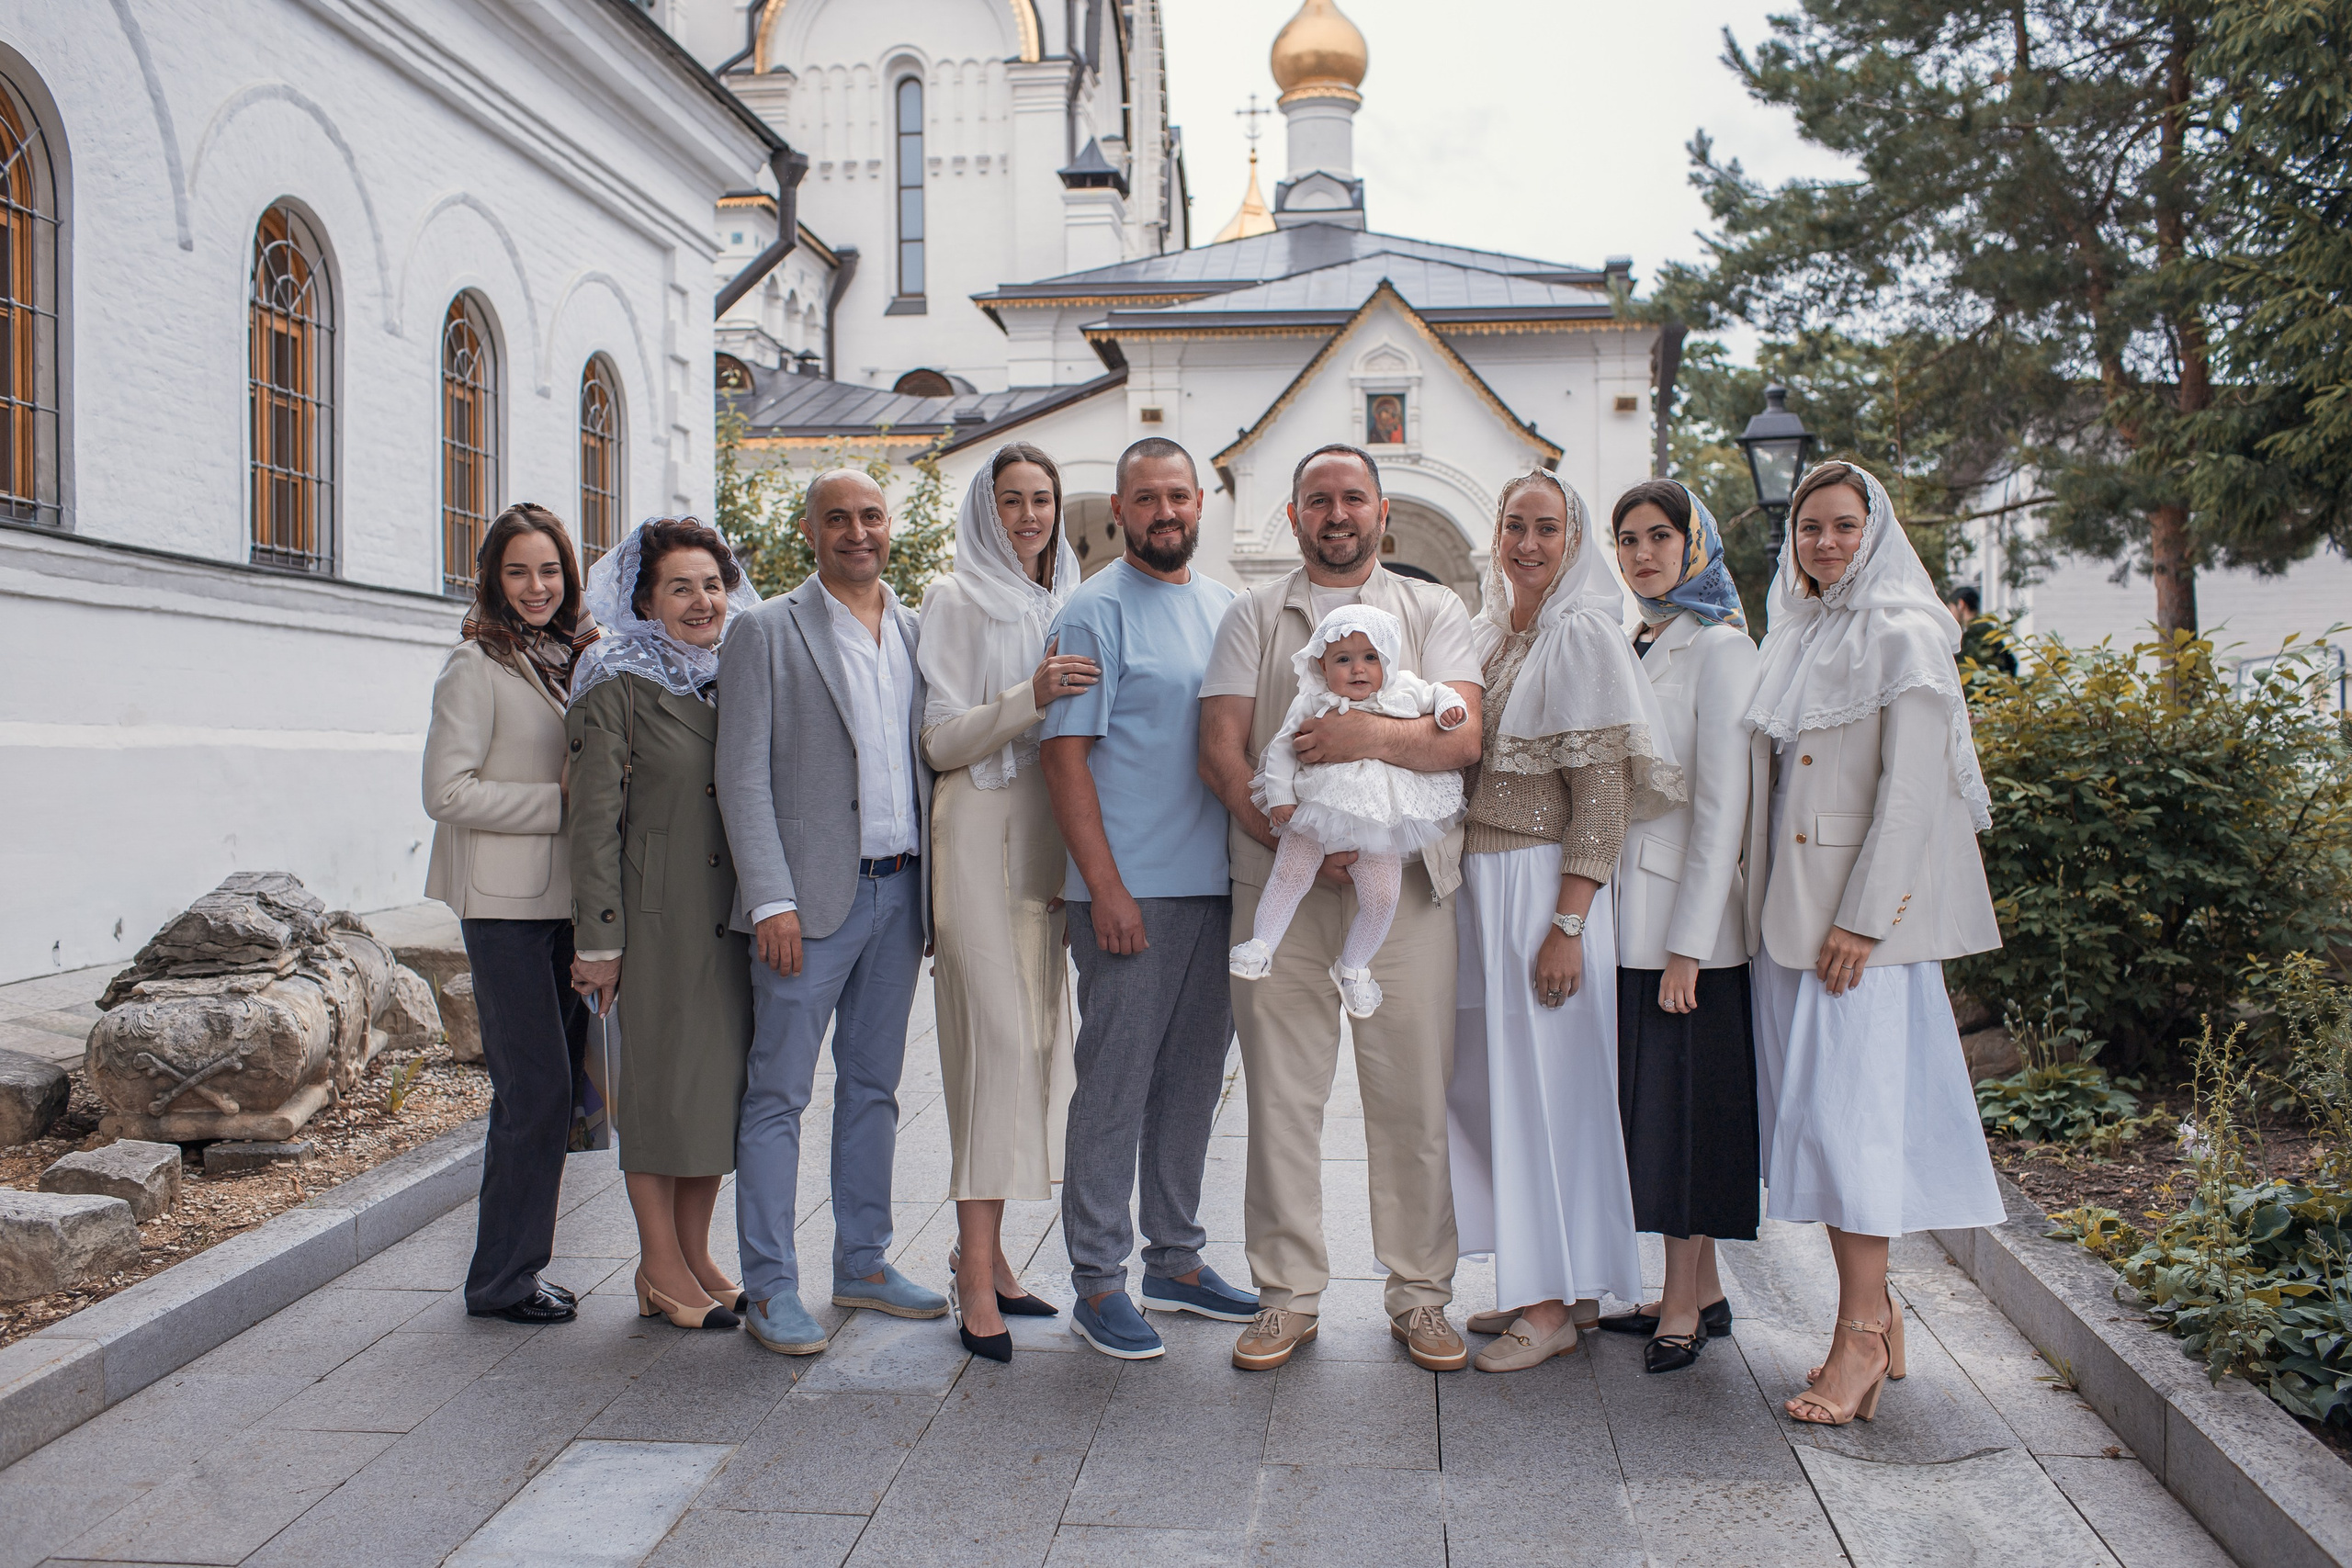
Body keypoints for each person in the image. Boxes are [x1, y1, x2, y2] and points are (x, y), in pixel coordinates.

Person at [1196, 444, 1485, 1373]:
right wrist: (1293, 834)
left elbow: (1462, 737)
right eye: (1317, 499)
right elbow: (1222, 749)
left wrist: (1367, 735)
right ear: (1292, 516)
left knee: (1409, 1096)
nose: (1336, 514)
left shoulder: (1433, 609)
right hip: (1281, 884)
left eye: (1352, 498)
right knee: (1281, 1099)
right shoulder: (1254, 613)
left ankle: (1421, 1296)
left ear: (1380, 511)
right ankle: (1286, 1295)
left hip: (1402, 887)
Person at [1747, 460, 2005, 1426]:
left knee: (1851, 1130)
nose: (1822, 543)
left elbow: (1912, 792)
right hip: (1788, 925)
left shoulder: (1904, 635)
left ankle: (1858, 1335)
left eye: (1843, 526)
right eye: (1809, 527)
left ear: (1877, 531)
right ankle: (1876, 1310)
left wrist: (1863, 916)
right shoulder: (1799, 636)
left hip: (1857, 937)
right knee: (1818, 1127)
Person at [1445, 470, 1682, 1374]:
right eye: (1515, 525)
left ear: (1573, 540)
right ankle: (1561, 1285)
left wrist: (1569, 921)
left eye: (1547, 527)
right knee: (1501, 1092)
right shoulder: (1490, 633)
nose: (1529, 543)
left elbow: (1605, 794)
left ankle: (1547, 1306)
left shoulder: (1581, 636)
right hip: (1481, 884)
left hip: (1542, 887)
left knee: (1550, 1095)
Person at [716, 469, 949, 1357]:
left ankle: (863, 1260)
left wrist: (931, 898)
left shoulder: (919, 633)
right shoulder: (765, 632)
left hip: (900, 893)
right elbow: (740, 776)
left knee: (875, 1089)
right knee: (778, 1094)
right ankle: (771, 1286)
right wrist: (770, 896)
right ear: (810, 531)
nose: (858, 531)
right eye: (838, 518)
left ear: (890, 528)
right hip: (804, 905)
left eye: (872, 516)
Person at [1039, 436, 1258, 1360]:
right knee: (1115, 1088)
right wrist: (1104, 888)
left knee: (1192, 1087)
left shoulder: (1229, 611)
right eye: (1146, 497)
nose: (1165, 511)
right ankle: (1097, 1278)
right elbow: (1063, 757)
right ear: (1119, 510)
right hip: (1128, 893)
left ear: (1200, 502)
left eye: (1179, 494)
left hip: (1219, 887)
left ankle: (1175, 1257)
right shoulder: (1090, 614)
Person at [916, 444, 1092, 1362]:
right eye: (1012, 500)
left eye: (1042, 500)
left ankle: (984, 1255)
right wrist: (1028, 698)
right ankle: (975, 1279)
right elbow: (941, 737)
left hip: (1047, 838)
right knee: (989, 1047)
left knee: (1031, 1046)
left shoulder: (1068, 596)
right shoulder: (955, 597)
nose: (1029, 516)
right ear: (985, 511)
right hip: (979, 831)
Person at [566, 518, 761, 1333]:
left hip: (729, 919)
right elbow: (591, 818)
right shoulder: (614, 679)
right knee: (653, 1092)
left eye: (712, 584)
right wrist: (600, 939)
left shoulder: (733, 674)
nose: (701, 600)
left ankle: (695, 1251)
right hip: (653, 921)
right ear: (645, 600)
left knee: (714, 1093)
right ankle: (655, 1262)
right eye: (680, 587)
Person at [1599, 479, 1768, 1373]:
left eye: (1659, 536)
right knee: (1658, 1117)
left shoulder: (1721, 648)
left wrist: (1688, 946)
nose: (1642, 554)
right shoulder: (1642, 641)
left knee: (1686, 1124)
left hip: (1686, 934)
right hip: (1628, 920)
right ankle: (1695, 1292)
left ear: (1692, 542)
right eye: (1627, 539)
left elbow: (1721, 809)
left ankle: (1682, 1307)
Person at [422, 502, 599, 1325]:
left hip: (560, 901)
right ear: (493, 576)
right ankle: (501, 1281)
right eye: (519, 570)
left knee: (545, 1097)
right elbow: (446, 791)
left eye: (551, 569)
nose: (537, 585)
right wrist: (559, 802)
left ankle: (512, 1269)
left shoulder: (568, 658)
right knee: (536, 1092)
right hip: (501, 906)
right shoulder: (475, 664)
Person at [1227, 604, 1468, 1018]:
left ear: (1387, 660)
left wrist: (1450, 708)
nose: (1359, 669)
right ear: (1322, 663)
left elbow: (1439, 692)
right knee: (1290, 871)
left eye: (1370, 657)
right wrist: (1281, 795)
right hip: (1315, 809)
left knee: (1382, 894)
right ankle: (1262, 945)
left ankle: (1354, 967)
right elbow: (1284, 747)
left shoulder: (1404, 689)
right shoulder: (1312, 702)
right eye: (1344, 659)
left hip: (1378, 818)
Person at [1944, 584, 2018, 676]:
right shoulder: (1987, 629)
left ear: (1961, 604)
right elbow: (2011, 663)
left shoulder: (1974, 635)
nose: (1950, 613)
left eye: (1950, 607)